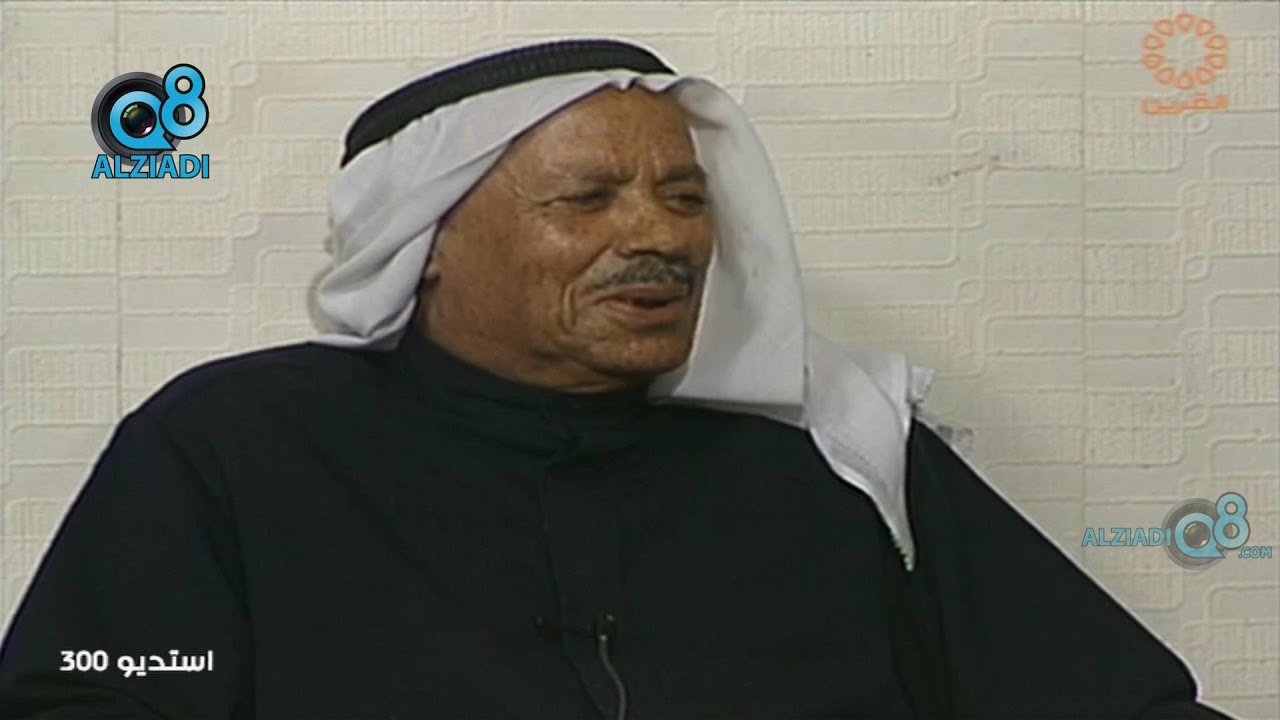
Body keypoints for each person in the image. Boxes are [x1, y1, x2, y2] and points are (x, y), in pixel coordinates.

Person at [0, 39, 1233, 720]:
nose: (660, 237)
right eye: (586, 199)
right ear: (425, 244)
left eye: (685, 197)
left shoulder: (835, 437)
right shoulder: (236, 447)